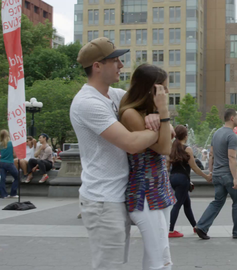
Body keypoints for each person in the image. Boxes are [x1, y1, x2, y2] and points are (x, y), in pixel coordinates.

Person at [70, 37, 164, 270]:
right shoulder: (87, 103)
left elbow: (144, 101)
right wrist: (158, 125)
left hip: (118, 196)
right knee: (110, 266)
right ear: (97, 66)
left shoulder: (113, 95)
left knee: (117, 263)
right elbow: (131, 143)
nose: (121, 65)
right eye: (115, 60)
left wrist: (154, 116)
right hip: (103, 200)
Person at [119, 63, 176, 269]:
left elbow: (171, 136)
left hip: (160, 190)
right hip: (143, 193)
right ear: (152, 89)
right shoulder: (130, 114)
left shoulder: (148, 114)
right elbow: (164, 148)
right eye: (164, 88)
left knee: (160, 254)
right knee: (160, 257)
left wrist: (159, 117)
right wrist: (163, 112)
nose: (167, 92)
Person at [195, 109, 237, 240]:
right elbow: (232, 157)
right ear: (232, 118)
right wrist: (235, 179)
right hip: (228, 174)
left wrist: (211, 172)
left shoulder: (216, 134)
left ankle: (201, 226)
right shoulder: (232, 136)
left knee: (217, 201)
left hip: (217, 174)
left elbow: (211, 155)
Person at [168, 125, 212, 238]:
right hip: (183, 179)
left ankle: (195, 226)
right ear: (186, 136)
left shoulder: (172, 147)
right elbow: (194, 167)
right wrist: (206, 176)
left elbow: (167, 165)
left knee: (187, 204)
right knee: (177, 204)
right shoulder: (187, 149)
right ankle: (170, 230)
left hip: (173, 178)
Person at [0, 130, 20, 199]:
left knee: (3, 179)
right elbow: (14, 155)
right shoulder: (11, 143)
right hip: (9, 163)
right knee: (17, 177)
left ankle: (3, 194)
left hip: (1, 163)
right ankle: (13, 193)